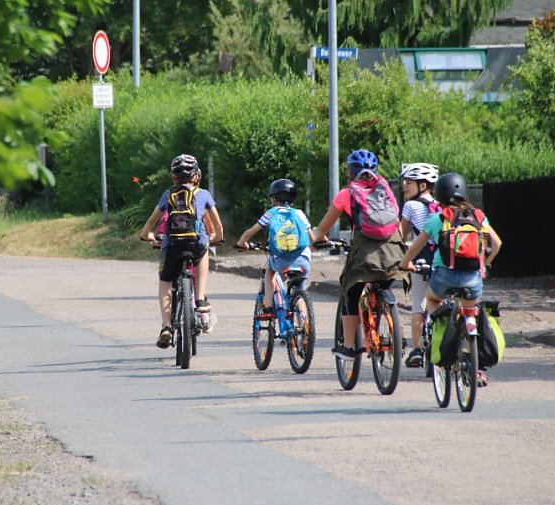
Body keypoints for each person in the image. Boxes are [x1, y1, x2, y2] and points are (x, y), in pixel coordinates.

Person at [399, 172, 502, 385]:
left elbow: (415, 248)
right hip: (473, 279)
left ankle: (443, 327)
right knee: (469, 313)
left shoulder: (438, 218)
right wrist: (487, 261)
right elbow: (498, 243)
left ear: (438, 195)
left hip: (443, 276)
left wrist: (405, 264)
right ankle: (477, 369)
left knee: (432, 300)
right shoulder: (479, 216)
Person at [312, 149, 407, 361]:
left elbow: (324, 227)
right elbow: (396, 225)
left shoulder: (347, 194)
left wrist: (318, 240)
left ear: (349, 172)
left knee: (351, 292)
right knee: (383, 285)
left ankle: (347, 347)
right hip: (394, 252)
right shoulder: (386, 191)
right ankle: (396, 329)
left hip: (364, 253)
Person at [138, 154, 224, 348]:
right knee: (203, 254)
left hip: (173, 245)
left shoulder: (168, 194)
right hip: (196, 243)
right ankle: (200, 299)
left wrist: (147, 235)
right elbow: (218, 226)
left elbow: (151, 222)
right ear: (196, 176)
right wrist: (216, 238)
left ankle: (167, 326)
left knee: (165, 281)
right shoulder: (203, 194)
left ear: (173, 177)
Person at [236, 179, 315, 316]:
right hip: (303, 259)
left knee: (269, 271)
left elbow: (250, 232)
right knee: (299, 290)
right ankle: (304, 329)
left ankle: (268, 306)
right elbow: (312, 240)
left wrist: (242, 243)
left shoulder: (271, 213)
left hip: (280, 260)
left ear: (274, 199)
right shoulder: (300, 213)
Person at [398, 163, 440, 368]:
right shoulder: (442, 206)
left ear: (422, 185)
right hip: (441, 262)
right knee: (439, 302)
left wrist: (402, 260)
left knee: (418, 304)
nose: (405, 186)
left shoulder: (410, 206)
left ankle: (416, 350)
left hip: (420, 261)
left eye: (409, 183)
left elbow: (401, 235)